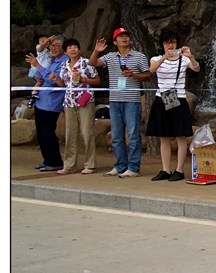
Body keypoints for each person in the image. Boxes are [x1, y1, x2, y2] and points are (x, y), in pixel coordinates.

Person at [89, 27, 152, 178]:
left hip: (132, 100)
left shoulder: (139, 56)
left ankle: (134, 167)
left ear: (130, 40)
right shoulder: (110, 57)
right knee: (116, 136)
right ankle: (120, 165)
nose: (124, 38)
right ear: (115, 41)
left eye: (126, 36)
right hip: (115, 100)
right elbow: (93, 63)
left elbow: (148, 75)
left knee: (133, 135)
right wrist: (97, 50)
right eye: (120, 36)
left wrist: (133, 75)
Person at [145, 28, 200, 181]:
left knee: (181, 136)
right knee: (164, 137)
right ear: (162, 44)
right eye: (167, 42)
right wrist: (164, 57)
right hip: (161, 98)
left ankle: (179, 170)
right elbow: (151, 70)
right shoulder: (156, 58)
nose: (170, 45)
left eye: (173, 42)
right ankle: (165, 169)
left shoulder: (184, 60)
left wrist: (191, 56)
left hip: (179, 98)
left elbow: (196, 69)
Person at [54, 38, 102, 174]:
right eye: (69, 48)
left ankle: (90, 164)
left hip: (85, 100)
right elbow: (64, 85)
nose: (73, 49)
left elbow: (98, 80)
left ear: (79, 49)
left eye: (75, 47)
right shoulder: (64, 65)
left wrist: (83, 79)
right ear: (65, 51)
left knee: (87, 132)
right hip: (69, 101)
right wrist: (56, 80)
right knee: (70, 133)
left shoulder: (86, 63)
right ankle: (69, 164)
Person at [24, 37, 68, 171]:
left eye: (57, 46)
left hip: (52, 102)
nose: (53, 48)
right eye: (52, 46)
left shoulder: (64, 62)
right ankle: (47, 160)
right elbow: (40, 50)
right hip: (41, 100)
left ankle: (55, 161)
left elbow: (53, 79)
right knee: (41, 133)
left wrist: (37, 65)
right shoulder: (50, 59)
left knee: (48, 131)